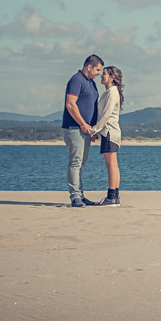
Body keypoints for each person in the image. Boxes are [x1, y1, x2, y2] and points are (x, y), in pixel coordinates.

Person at [62, 54, 103, 207]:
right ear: (89, 66)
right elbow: (70, 104)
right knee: (75, 162)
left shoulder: (91, 83)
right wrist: (83, 124)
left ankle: (81, 195)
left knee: (81, 163)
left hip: (86, 130)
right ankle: (75, 197)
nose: (99, 73)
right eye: (98, 70)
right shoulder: (76, 80)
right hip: (74, 128)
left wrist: (92, 130)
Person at [91, 65, 124, 207]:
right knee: (113, 165)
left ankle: (111, 197)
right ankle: (115, 197)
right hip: (111, 132)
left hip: (110, 132)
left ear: (112, 77)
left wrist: (94, 130)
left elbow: (106, 114)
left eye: (104, 74)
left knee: (111, 165)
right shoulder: (111, 92)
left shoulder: (112, 92)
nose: (101, 76)